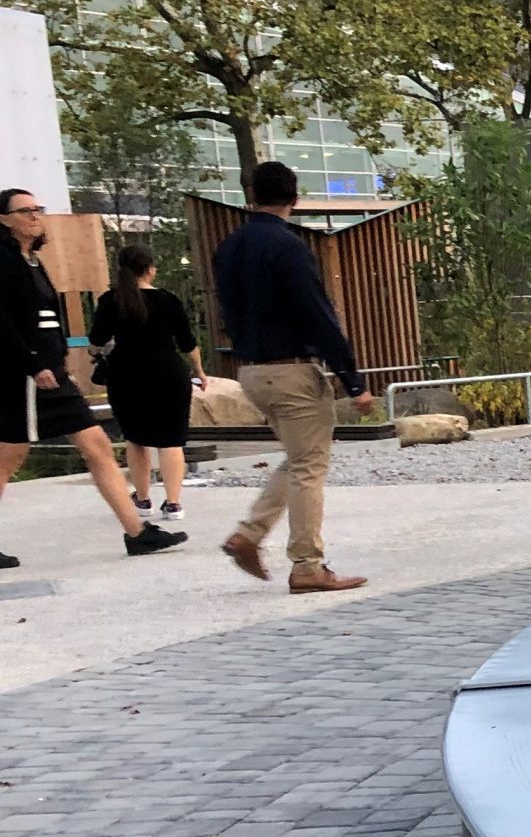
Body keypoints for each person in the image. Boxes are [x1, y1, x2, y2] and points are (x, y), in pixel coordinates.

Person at [0, 188, 186, 566]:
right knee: (8, 457)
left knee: (98, 444)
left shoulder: (32, 260)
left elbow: (46, 319)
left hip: (53, 373)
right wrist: (32, 364)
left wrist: (58, 359)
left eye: (37, 209)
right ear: (4, 220)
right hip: (25, 376)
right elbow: (2, 321)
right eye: (24, 211)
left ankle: (137, 532)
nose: (35, 216)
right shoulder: (3, 261)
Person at [213, 161, 374, 592]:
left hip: (251, 371)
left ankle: (249, 534)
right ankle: (306, 565)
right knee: (309, 467)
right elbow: (316, 313)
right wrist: (352, 380)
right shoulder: (288, 247)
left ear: (251, 196)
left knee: (300, 458)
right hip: (292, 369)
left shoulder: (228, 247)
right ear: (295, 198)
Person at [89, 244, 206, 520]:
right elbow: (187, 343)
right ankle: (173, 503)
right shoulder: (168, 300)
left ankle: (142, 499)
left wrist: (98, 354)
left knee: (136, 439)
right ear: (151, 270)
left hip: (126, 374)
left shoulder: (110, 300)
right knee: (172, 440)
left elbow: (95, 342)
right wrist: (199, 371)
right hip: (168, 372)